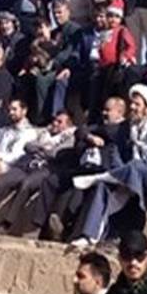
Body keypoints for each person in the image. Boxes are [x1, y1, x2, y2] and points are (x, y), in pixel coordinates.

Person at [71, 84, 147, 246]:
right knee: (104, 186)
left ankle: (102, 177)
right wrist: (121, 170)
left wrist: (130, 170)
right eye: (132, 103)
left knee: (134, 168)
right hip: (126, 173)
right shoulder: (127, 128)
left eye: (137, 104)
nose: (132, 107)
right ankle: (90, 235)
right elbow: (116, 151)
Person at [0, 109, 77, 233]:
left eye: (60, 122)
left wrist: (40, 149)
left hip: (46, 169)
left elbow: (56, 154)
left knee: (26, 185)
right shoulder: (44, 132)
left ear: (68, 125)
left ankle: (7, 224)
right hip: (26, 165)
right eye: (55, 120)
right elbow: (28, 146)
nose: (55, 123)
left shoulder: (70, 138)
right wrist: (43, 148)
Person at [33, 97, 129, 240]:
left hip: (103, 171)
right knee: (52, 181)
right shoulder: (100, 126)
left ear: (119, 112)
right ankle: (38, 225)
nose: (104, 113)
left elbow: (108, 133)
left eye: (108, 110)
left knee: (76, 189)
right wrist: (90, 137)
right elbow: (81, 130)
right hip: (84, 167)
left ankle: (63, 228)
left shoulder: (123, 129)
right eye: (103, 109)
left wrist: (90, 133)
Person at [86, 0, 137, 123]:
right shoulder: (104, 32)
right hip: (103, 67)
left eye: (116, 17)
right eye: (110, 16)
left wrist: (126, 56)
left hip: (115, 67)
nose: (113, 20)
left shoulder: (122, 31)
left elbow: (131, 46)